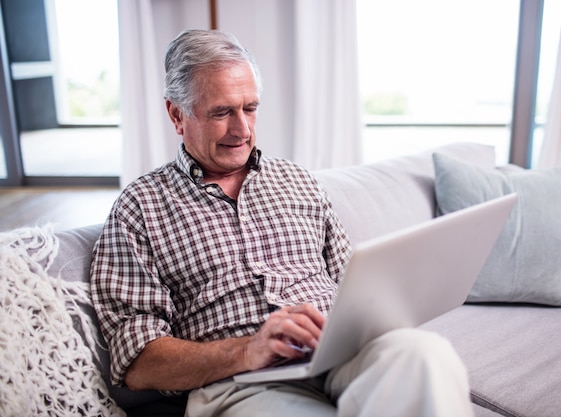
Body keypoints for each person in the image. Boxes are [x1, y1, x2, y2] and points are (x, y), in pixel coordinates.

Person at [90, 29, 474, 417]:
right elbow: (136, 361)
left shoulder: (298, 181)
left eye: (250, 108)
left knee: (428, 355)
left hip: (339, 356)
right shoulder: (140, 207)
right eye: (222, 112)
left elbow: (352, 286)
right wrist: (248, 348)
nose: (242, 130)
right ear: (177, 114)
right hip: (241, 384)